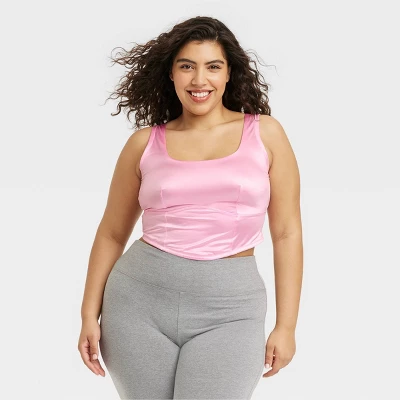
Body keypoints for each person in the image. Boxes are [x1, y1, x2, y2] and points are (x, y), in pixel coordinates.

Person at [78, 15, 303, 400]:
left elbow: (286, 233)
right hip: (137, 305)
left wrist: (287, 326)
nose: (200, 80)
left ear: (229, 73)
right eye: (187, 66)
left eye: (213, 66)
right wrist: (88, 313)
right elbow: (112, 233)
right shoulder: (143, 143)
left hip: (231, 311)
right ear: (171, 74)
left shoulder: (266, 134)